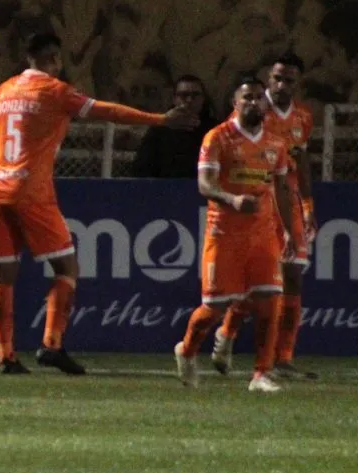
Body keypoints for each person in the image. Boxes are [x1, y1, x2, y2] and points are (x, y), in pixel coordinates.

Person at [0, 33, 197, 375]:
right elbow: (107, 111)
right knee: (67, 269)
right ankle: (52, 345)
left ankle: (6, 357)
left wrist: (3, 166)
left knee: (4, 276)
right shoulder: (56, 91)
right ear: (54, 59)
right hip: (32, 191)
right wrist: (159, 120)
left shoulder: (2, 90)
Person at [174, 75, 298, 393]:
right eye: (247, 98)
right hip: (224, 232)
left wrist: (289, 230)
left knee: (271, 299)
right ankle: (186, 350)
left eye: (259, 98)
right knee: (213, 308)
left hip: (263, 234)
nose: (254, 103)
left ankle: (261, 374)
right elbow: (204, 185)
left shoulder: (275, 144)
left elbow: (282, 189)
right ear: (235, 103)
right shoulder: (218, 138)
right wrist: (231, 200)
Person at [212, 52, 318, 379]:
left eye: (288, 79)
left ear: (298, 82)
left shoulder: (302, 117)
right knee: (258, 284)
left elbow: (300, 161)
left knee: (293, 276)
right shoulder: (254, 108)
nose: (281, 85)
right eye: (277, 78)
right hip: (258, 205)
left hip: (289, 202)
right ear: (268, 78)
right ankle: (226, 334)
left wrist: (309, 205)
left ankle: (282, 358)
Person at [132, 75, 219, 178]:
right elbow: (142, 167)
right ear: (174, 99)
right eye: (184, 95)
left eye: (195, 95)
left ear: (203, 99)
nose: (189, 100)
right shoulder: (159, 130)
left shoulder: (216, 130)